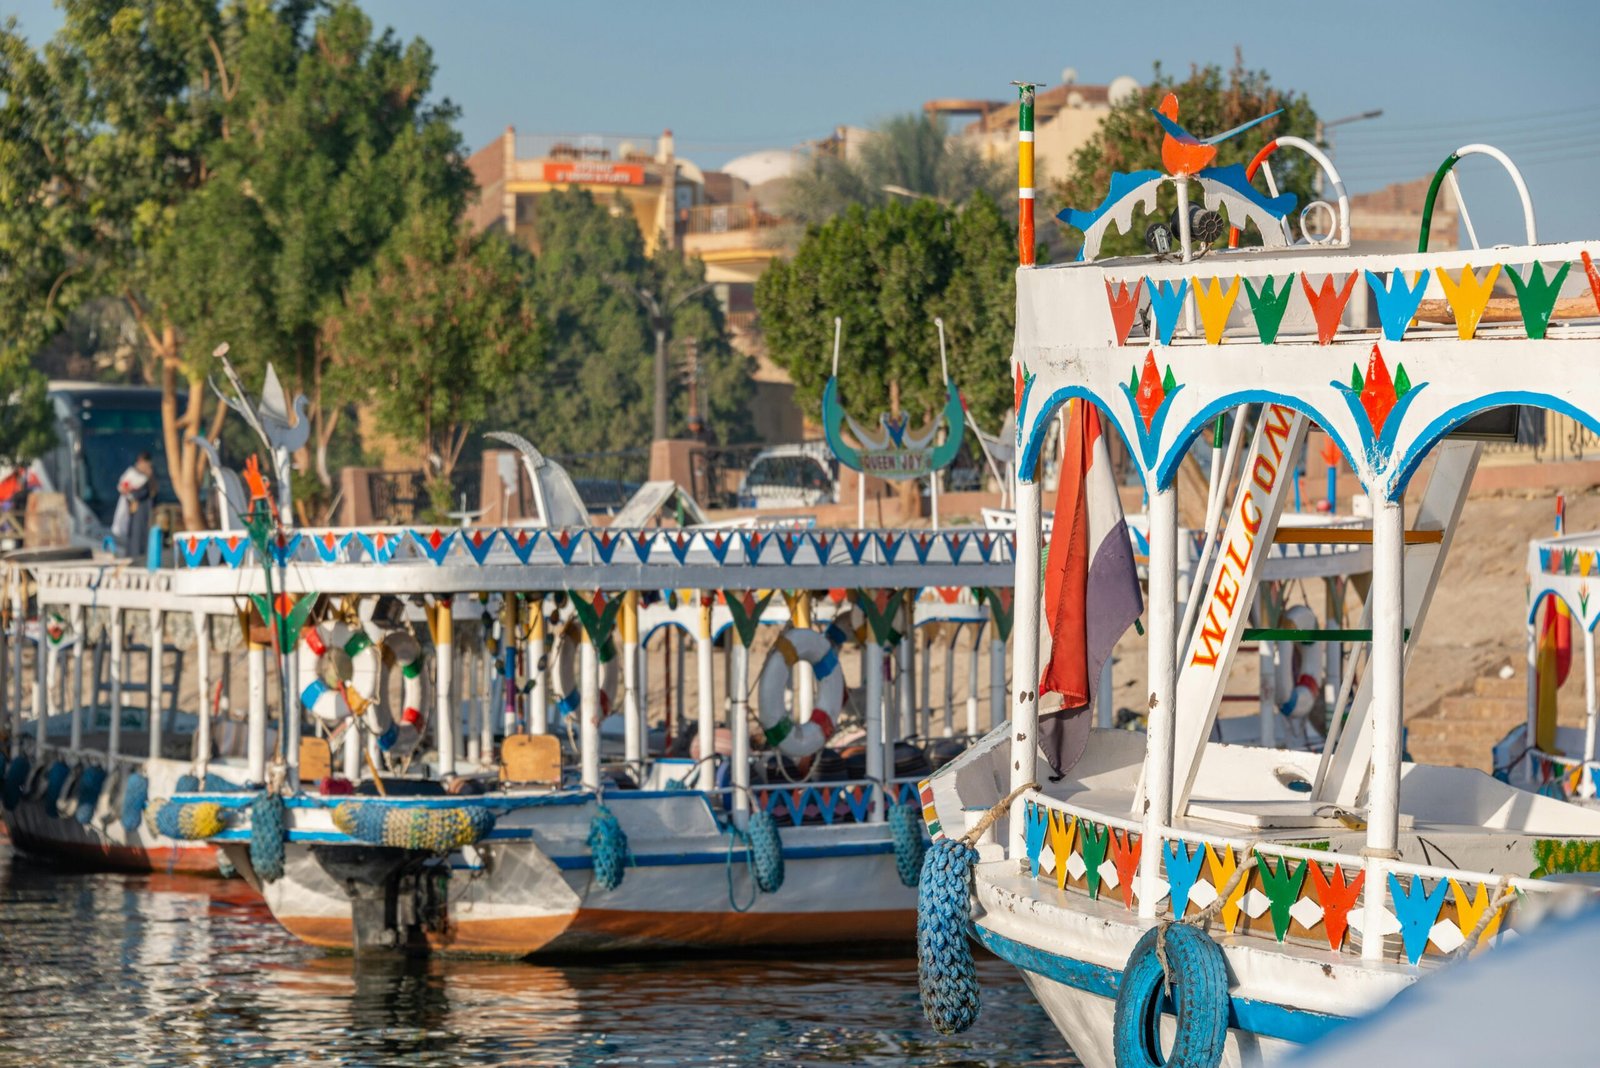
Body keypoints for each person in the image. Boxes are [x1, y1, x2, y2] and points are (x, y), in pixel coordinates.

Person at [112, 452, 157, 557]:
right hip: (135, 513)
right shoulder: (132, 473)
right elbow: (125, 488)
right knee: (134, 539)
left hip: (145, 513)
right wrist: (129, 492)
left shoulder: (150, 477)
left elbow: (150, 492)